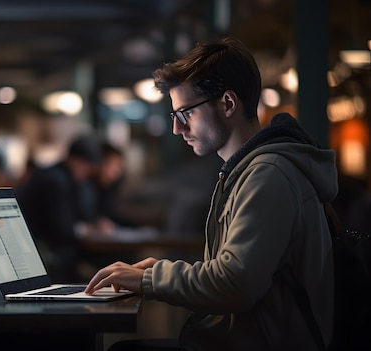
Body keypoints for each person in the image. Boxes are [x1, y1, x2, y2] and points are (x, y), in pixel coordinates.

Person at [85, 37, 337, 350]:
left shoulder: (268, 175)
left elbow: (235, 283)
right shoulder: (247, 171)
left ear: (228, 104)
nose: (178, 129)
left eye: (185, 113)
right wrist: (155, 271)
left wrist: (150, 280)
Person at [17, 134, 102, 282]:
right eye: (86, 167)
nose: (87, 173)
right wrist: (86, 228)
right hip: (39, 253)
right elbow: (61, 229)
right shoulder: (56, 181)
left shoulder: (57, 176)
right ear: (74, 160)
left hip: (37, 249)